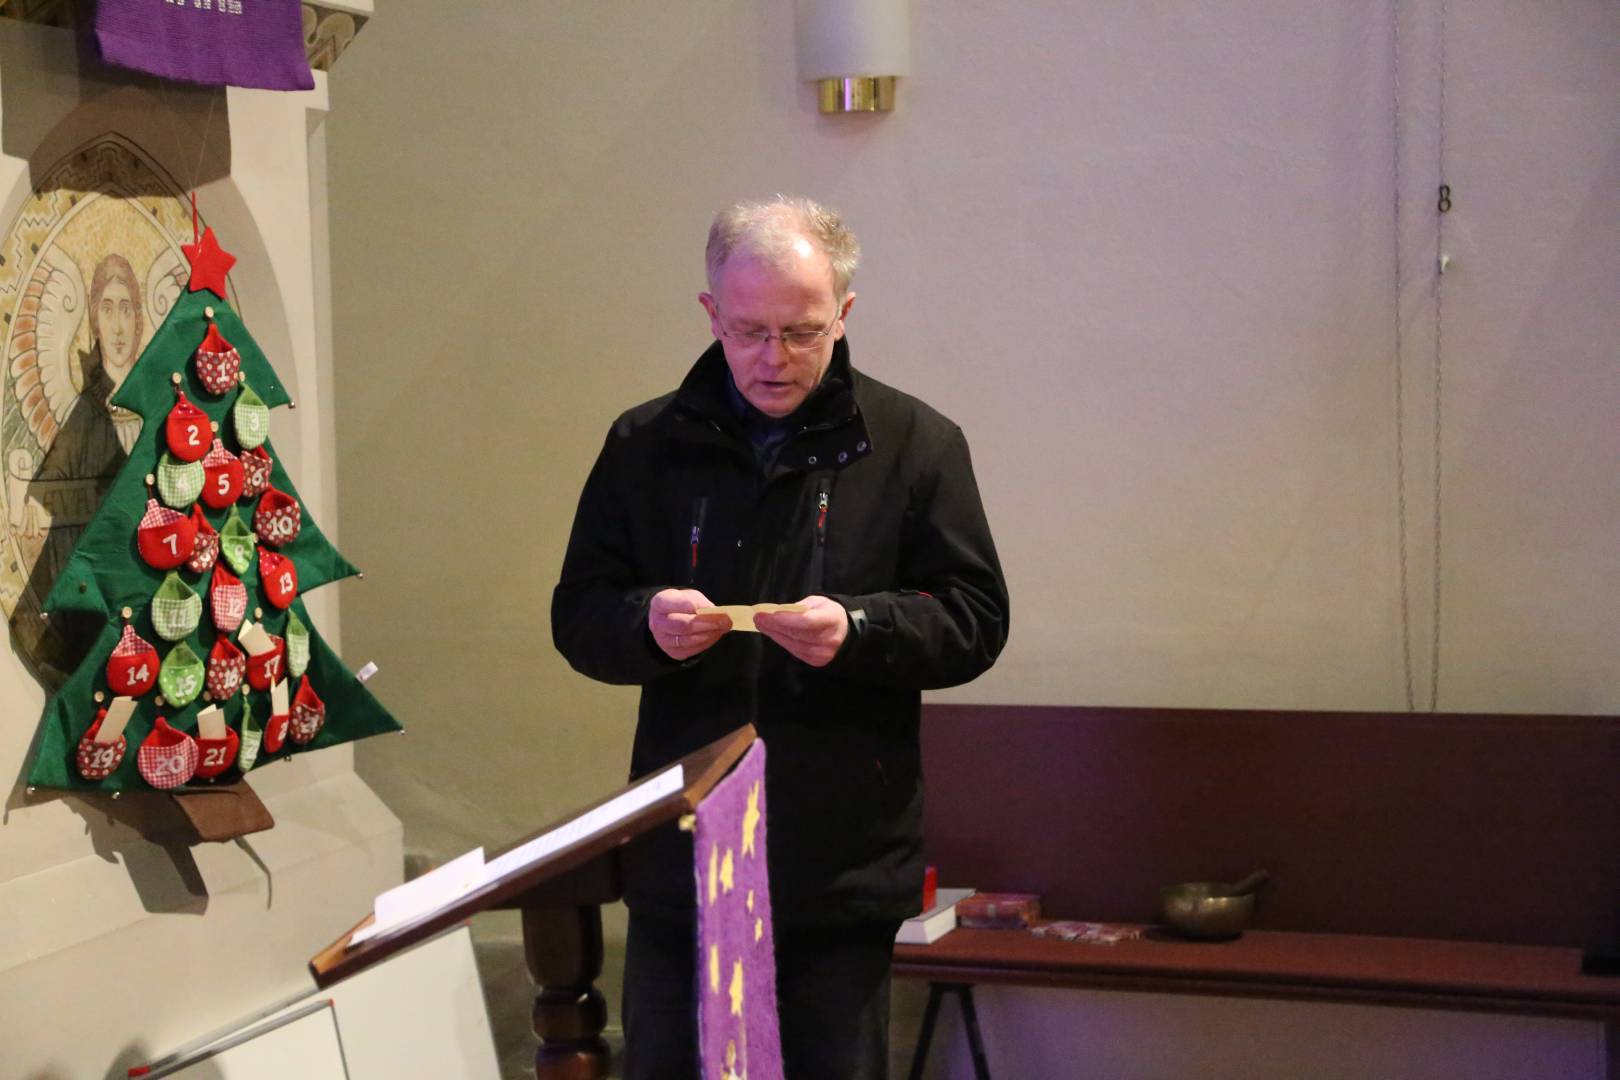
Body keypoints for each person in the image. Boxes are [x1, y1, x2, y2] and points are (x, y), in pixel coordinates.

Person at [551, 196, 1009, 1079]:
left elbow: (976, 619)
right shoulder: (645, 443)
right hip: (683, 852)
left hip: (835, 866)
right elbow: (580, 615)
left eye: (801, 332)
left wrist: (862, 628)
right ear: (710, 313)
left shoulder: (915, 444)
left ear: (845, 312)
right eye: (749, 330)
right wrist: (644, 626)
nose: (773, 359)